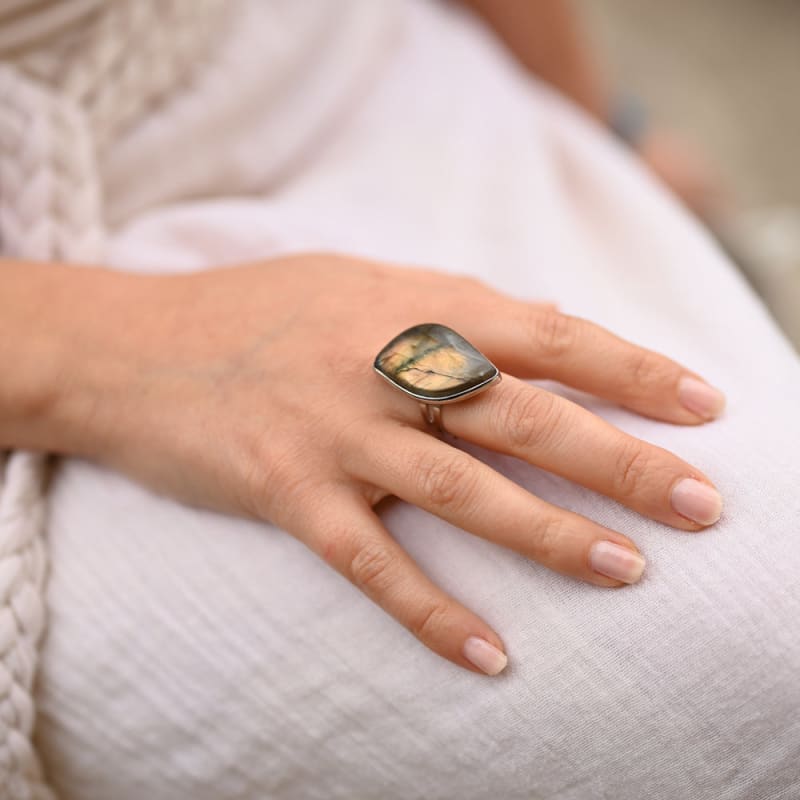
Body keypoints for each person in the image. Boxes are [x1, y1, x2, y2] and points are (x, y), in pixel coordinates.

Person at [0, 1, 798, 798]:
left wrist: (592, 124)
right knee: (715, 667)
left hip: (353, 82)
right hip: (50, 340)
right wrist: (143, 344)